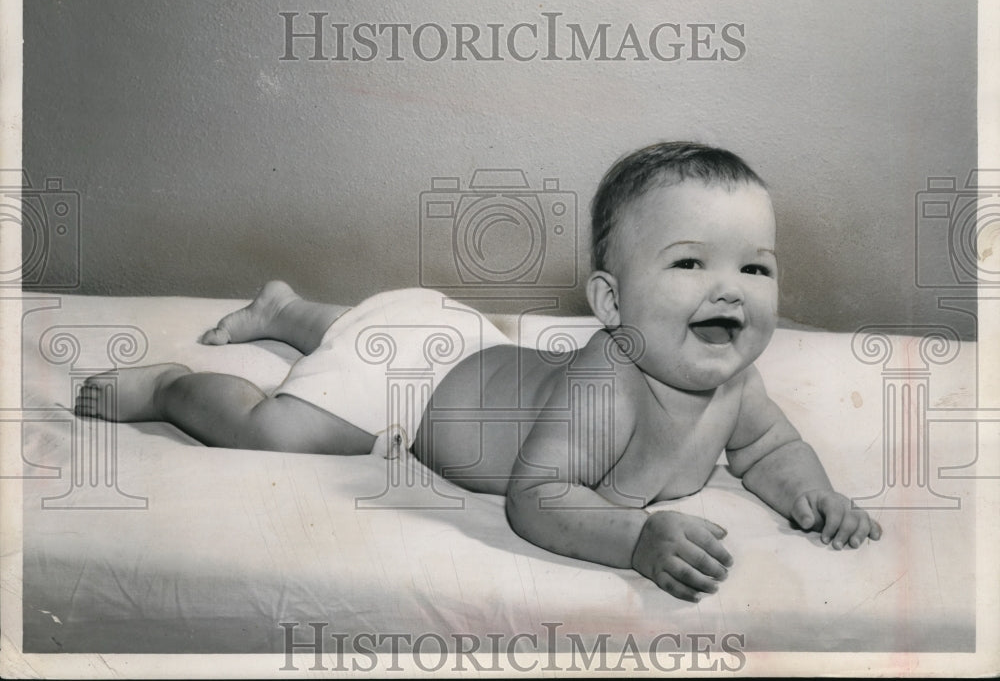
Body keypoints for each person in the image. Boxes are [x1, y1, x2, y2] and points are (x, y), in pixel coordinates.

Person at [75, 141, 881, 602]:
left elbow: (769, 448)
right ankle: (170, 384)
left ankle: (289, 312)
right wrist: (635, 538)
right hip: (414, 384)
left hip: (458, 339)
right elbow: (538, 499)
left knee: (376, 328)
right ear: (609, 301)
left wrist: (814, 494)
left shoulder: (736, 381)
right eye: (690, 262)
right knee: (276, 426)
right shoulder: (610, 380)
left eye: (757, 270)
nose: (729, 290)